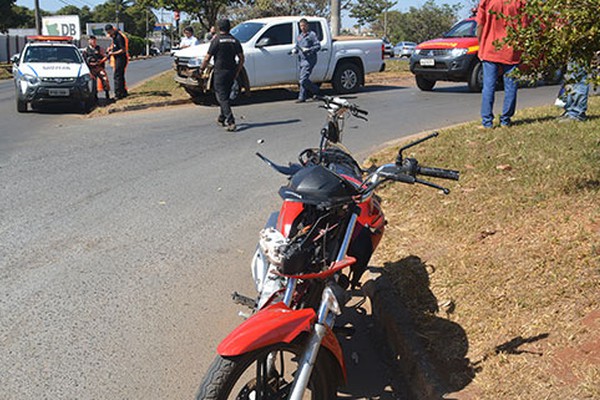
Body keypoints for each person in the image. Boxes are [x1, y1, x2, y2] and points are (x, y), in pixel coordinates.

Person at [475, 0, 525, 128]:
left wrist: (481, 44)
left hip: (490, 48)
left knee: (488, 86)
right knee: (511, 86)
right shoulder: (520, 2)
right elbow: (524, 26)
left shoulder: (487, 1)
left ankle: (487, 122)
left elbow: (480, 24)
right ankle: (505, 120)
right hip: (512, 50)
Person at [199, 19, 244, 132]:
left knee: (222, 97)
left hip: (220, 72)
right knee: (225, 96)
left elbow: (207, 57)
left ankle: (231, 121)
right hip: (231, 72)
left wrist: (201, 69)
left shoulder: (216, 41)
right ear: (229, 27)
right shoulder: (235, 40)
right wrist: (237, 71)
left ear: (219, 28)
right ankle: (221, 117)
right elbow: (242, 58)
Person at [293, 18, 321, 103]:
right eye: (301, 26)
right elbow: (297, 46)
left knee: (303, 79)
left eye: (304, 25)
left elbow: (318, 46)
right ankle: (303, 97)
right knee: (303, 79)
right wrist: (294, 50)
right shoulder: (299, 36)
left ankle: (315, 90)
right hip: (301, 60)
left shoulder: (312, 35)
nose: (302, 27)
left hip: (309, 60)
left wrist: (309, 49)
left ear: (307, 25)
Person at [83, 35, 111, 102]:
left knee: (105, 80)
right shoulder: (86, 50)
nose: (93, 41)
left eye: (94, 40)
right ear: (88, 41)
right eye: (91, 40)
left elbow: (106, 56)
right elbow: (84, 60)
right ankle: (94, 97)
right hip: (91, 69)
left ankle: (107, 95)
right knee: (93, 83)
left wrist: (101, 61)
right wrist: (90, 64)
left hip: (99, 67)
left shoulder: (99, 48)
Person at [105, 24, 129, 100]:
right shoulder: (114, 37)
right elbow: (115, 46)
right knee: (120, 76)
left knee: (117, 76)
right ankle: (123, 92)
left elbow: (123, 49)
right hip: (117, 58)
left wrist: (112, 53)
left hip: (121, 58)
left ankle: (118, 94)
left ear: (112, 30)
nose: (109, 34)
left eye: (109, 32)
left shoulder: (119, 37)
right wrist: (110, 49)